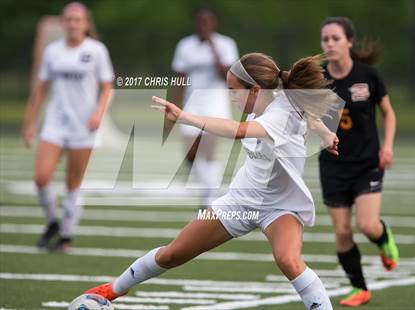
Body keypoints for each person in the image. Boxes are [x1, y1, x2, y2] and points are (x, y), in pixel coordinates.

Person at [85, 52, 341, 310]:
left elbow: (238, 130)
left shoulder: (278, 116)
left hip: (280, 207)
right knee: (173, 253)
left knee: (289, 261)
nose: (230, 96)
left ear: (255, 90)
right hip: (239, 201)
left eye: (233, 90)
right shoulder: (279, 97)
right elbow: (308, 113)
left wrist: (185, 117)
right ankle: (112, 290)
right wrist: (326, 133)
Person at [21, 2, 114, 251]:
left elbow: (107, 88)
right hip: (55, 123)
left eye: (77, 19)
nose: (73, 24)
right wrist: (30, 122)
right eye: (69, 19)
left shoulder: (96, 50)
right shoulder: (53, 51)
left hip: (83, 126)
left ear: (85, 23)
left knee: (72, 183)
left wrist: (98, 114)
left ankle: (66, 236)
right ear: (63, 23)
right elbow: (41, 89)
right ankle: (52, 221)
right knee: (41, 178)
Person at [319, 16, 398, 307]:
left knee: (367, 225)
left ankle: (384, 237)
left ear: (349, 41)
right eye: (325, 39)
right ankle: (359, 288)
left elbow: (388, 113)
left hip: (367, 163)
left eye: (335, 38)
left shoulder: (368, 75)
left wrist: (387, 147)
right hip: (332, 165)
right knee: (342, 231)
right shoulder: (317, 78)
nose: (329, 43)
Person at [171, 9, 239, 207]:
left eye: (207, 22)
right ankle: (208, 186)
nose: (204, 26)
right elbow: (179, 78)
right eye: (201, 22)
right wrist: (175, 107)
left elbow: (227, 76)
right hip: (193, 103)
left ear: (214, 24)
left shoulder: (225, 44)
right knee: (190, 152)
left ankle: (209, 198)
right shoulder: (185, 45)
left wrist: (213, 49)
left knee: (209, 150)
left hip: (215, 104)